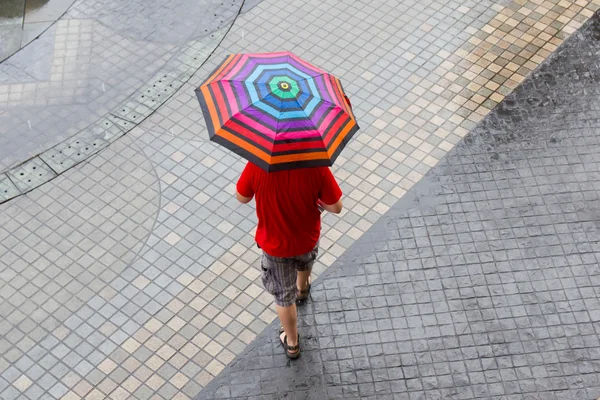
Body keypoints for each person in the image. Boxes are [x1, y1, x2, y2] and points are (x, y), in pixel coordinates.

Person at [236, 163, 343, 359]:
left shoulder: (257, 165)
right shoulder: (316, 166)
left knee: (283, 296)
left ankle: (292, 343)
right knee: (304, 263)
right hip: (306, 238)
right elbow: (336, 207)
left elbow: (242, 197)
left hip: (275, 246)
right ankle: (302, 289)